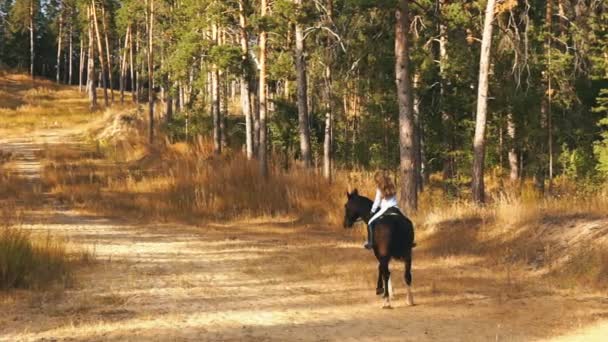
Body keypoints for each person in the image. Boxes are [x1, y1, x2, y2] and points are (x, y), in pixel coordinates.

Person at [365, 171, 399, 249]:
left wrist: (372, 211)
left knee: (370, 222)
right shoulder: (392, 186)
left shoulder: (379, 189)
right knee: (407, 220)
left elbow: (377, 202)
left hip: (385, 209)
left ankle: (371, 242)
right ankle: (409, 241)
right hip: (395, 207)